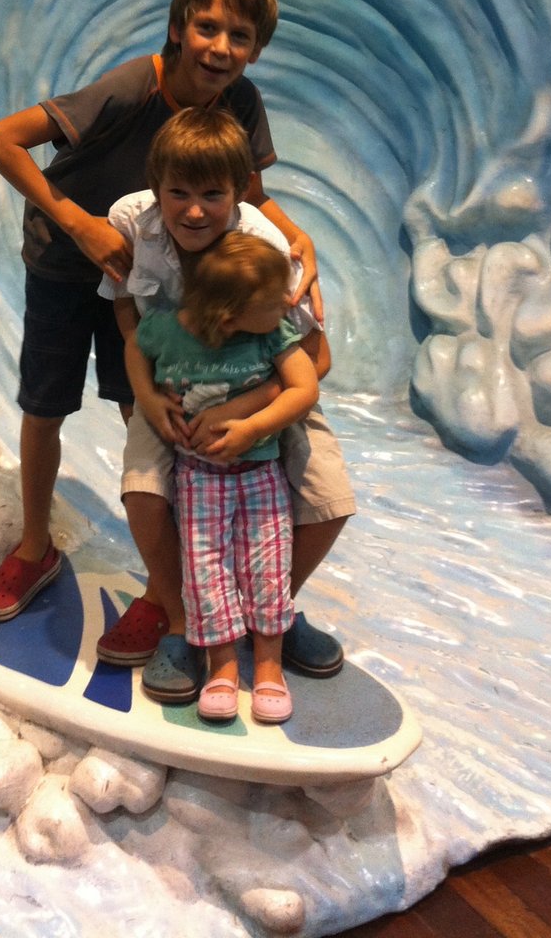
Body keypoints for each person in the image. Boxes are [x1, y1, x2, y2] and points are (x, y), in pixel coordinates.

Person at [0, 0, 320, 631]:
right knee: (45, 406)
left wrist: (295, 235)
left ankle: (168, 587)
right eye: (207, 27)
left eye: (240, 36)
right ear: (177, 27)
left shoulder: (240, 102)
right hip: (64, 264)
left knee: (148, 410)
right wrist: (80, 225)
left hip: (144, 277)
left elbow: (247, 192)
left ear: (256, 49)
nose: (220, 48)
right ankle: (34, 548)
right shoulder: (134, 86)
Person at [100, 107, 354, 702]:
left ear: (240, 191)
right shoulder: (132, 222)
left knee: (329, 496)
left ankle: (270, 616)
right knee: (143, 489)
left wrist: (248, 411)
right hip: (172, 391)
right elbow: (126, 312)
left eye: (212, 195)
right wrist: (148, 398)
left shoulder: (265, 247)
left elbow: (313, 359)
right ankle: (184, 623)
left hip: (266, 389)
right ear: (156, 186)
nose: (193, 211)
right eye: (178, 193)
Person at [129, 233, 319, 723]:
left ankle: (270, 667)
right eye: (274, 300)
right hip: (199, 477)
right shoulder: (168, 330)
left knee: (268, 562)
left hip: (259, 473)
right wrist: (148, 397)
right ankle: (223, 667)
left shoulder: (271, 333)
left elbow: (305, 387)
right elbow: (134, 347)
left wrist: (254, 427)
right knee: (205, 568)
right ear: (229, 316)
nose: (287, 303)